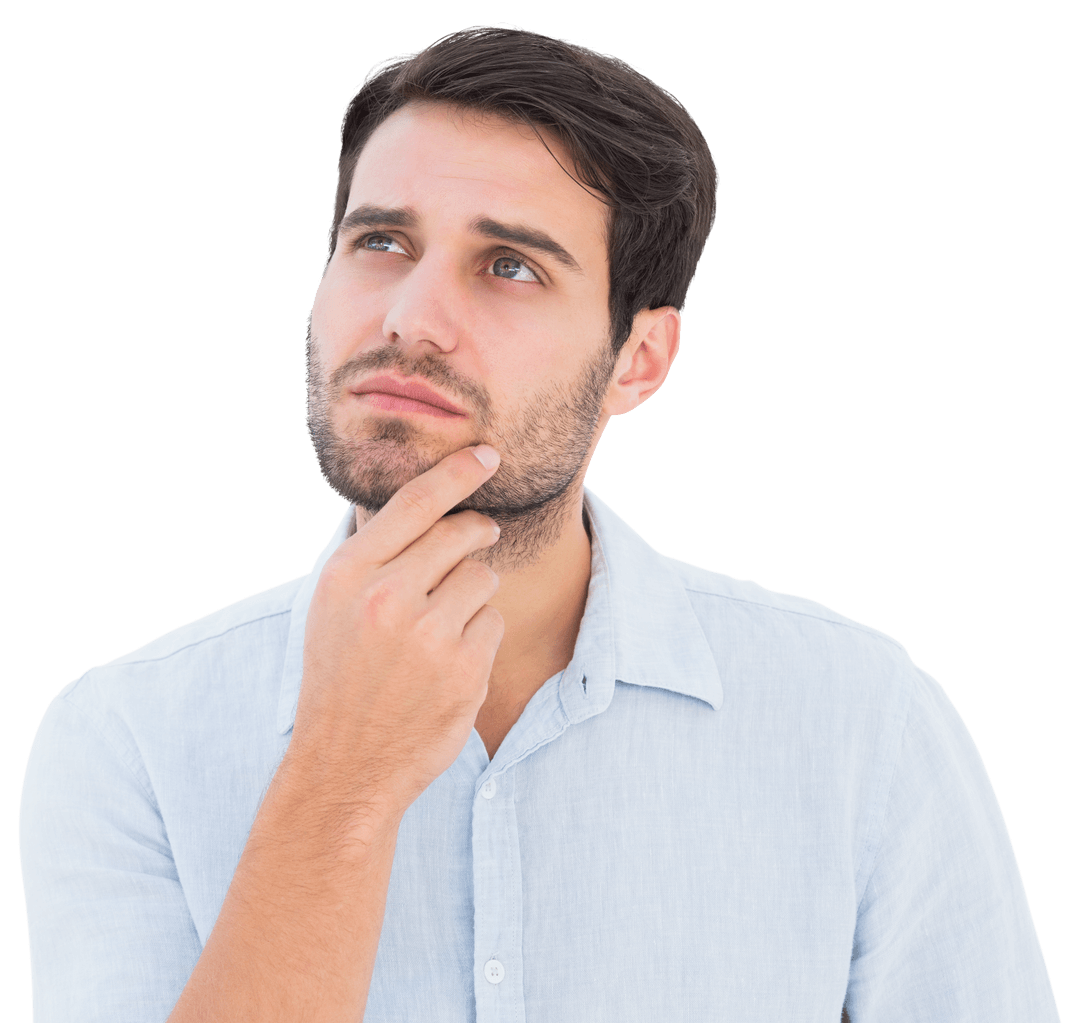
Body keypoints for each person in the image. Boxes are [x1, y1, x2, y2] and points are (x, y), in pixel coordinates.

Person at [18, 24, 1060, 1023]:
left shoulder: (861, 722)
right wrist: (341, 783)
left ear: (639, 361)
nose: (409, 318)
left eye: (509, 263)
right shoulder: (125, 741)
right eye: (380, 241)